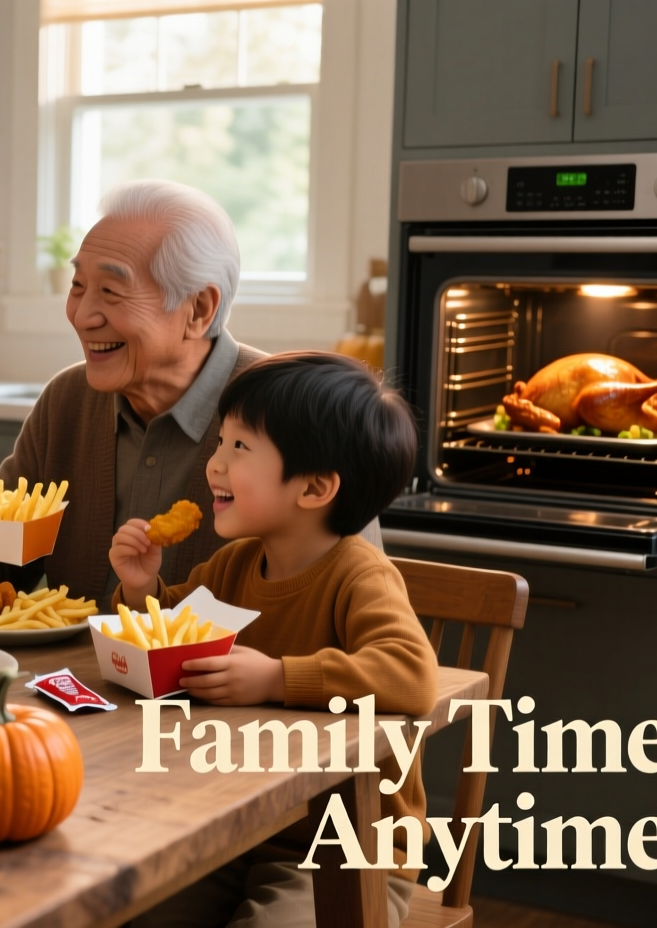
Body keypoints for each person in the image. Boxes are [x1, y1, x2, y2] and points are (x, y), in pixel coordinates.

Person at [110, 351, 437, 928]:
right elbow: (172, 633)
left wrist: (276, 677)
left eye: (240, 449)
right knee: (128, 910)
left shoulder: (360, 575)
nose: (214, 464)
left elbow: (411, 676)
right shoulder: (235, 563)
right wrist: (142, 591)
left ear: (313, 488)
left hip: (344, 853)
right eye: (220, 442)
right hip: (237, 827)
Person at [0, 180, 277, 605]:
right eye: (78, 286)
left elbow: (345, 606)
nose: (82, 314)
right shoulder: (68, 402)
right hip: (69, 673)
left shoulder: (287, 409)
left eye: (111, 291)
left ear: (199, 309)